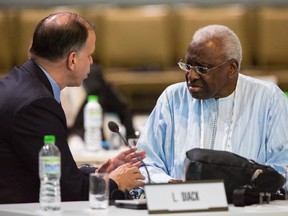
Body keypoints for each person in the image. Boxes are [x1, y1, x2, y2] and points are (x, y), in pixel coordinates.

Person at [0, 12, 145, 204]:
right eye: (90, 55)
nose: (92, 62)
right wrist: (114, 182)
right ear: (73, 60)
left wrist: (98, 173)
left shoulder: (21, 83)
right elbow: (69, 192)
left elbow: (54, 172)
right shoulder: (37, 105)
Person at [137, 24, 288, 183]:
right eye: (188, 66)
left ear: (231, 68)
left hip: (248, 204)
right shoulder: (173, 98)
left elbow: (283, 167)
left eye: (202, 68)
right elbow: (145, 163)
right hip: (183, 203)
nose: (192, 75)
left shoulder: (267, 98)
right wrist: (167, 182)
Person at [67, 63, 136, 141]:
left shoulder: (103, 91)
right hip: (79, 135)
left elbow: (124, 110)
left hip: (92, 135)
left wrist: (130, 136)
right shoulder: (73, 88)